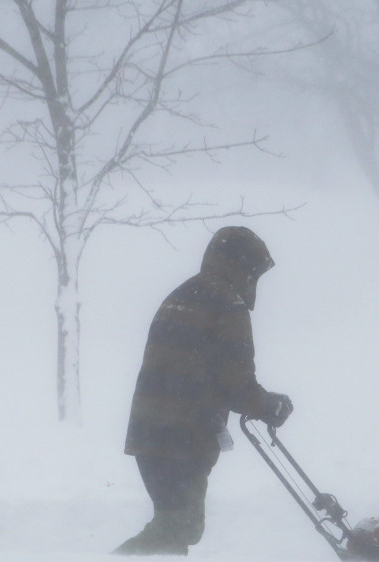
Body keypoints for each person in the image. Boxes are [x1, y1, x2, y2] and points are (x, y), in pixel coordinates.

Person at [114, 226, 294, 556]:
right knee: (176, 529)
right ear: (245, 269)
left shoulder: (185, 293)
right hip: (183, 437)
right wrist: (268, 406)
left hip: (150, 432)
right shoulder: (227, 302)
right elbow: (236, 380)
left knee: (172, 526)